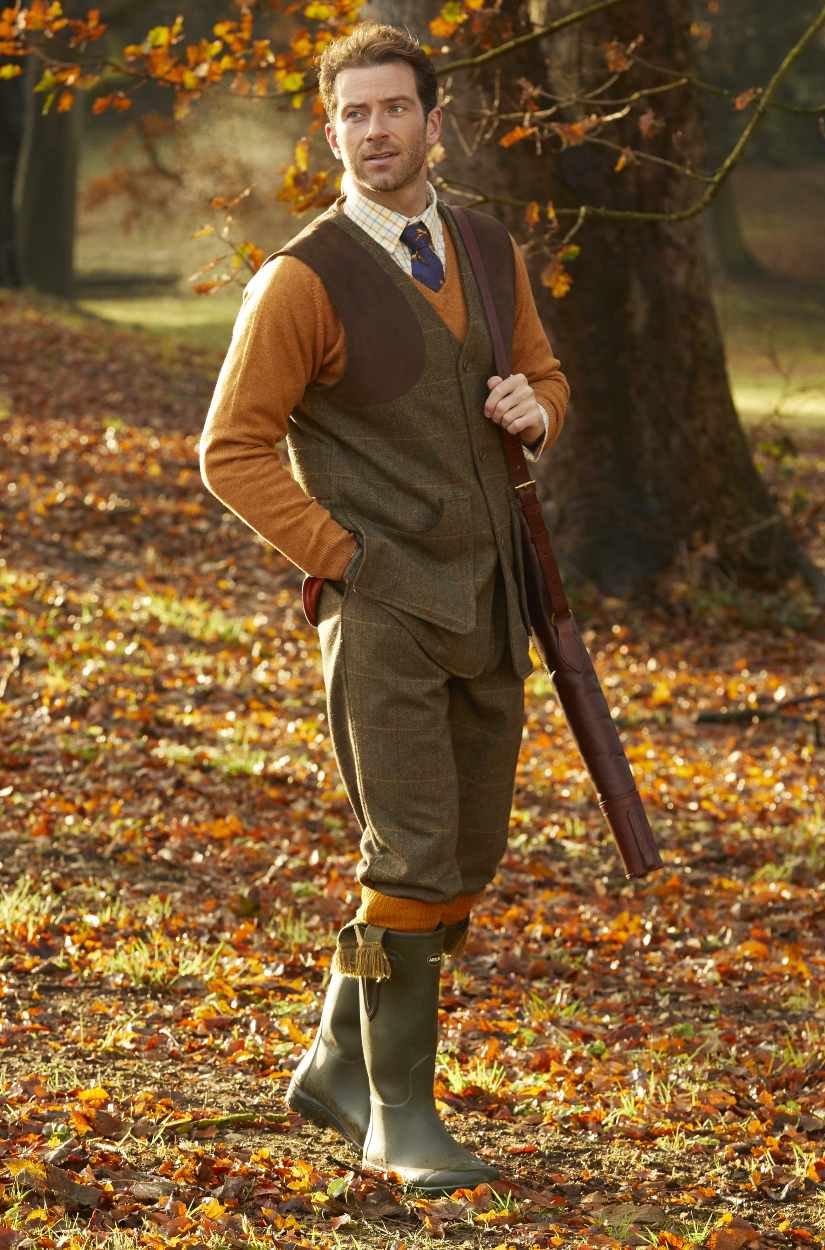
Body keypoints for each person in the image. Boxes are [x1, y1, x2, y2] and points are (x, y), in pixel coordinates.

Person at [199, 21, 569, 1191]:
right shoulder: (301, 277)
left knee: (462, 855)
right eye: (352, 113)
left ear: (432, 119)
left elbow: (547, 378)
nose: (374, 131)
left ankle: (330, 1056)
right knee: (410, 853)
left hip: (494, 600)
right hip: (385, 615)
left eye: (393, 108)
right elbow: (231, 448)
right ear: (331, 130)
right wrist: (344, 557)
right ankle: (398, 1117)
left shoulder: (484, 243)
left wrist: (535, 411)